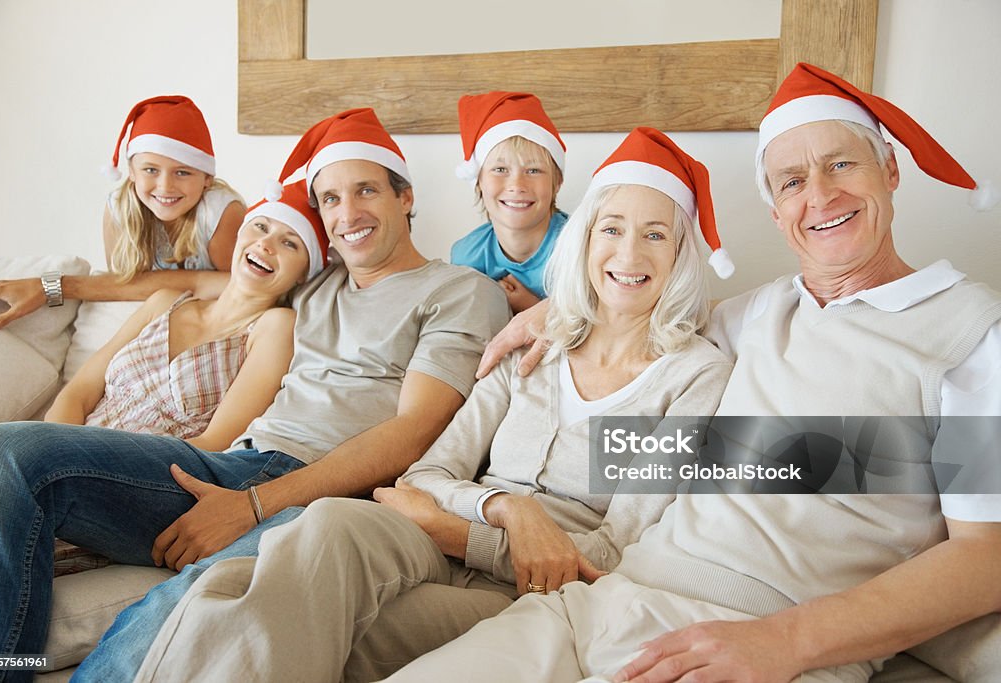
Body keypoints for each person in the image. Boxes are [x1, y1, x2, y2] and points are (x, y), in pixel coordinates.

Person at [387, 63, 1001, 683]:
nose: (819, 194)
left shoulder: (972, 336)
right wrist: (553, 309)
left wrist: (783, 641)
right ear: (775, 210)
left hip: (764, 635)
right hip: (598, 603)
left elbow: (987, 557)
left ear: (890, 169)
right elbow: (636, 304)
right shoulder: (753, 315)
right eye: (791, 181)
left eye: (842, 164)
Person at [130, 127, 733, 683]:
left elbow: (614, 548)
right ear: (585, 241)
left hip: (531, 591)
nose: (628, 254)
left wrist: (455, 530)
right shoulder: (534, 345)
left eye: (656, 234)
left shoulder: (693, 377)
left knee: (283, 615)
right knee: (320, 528)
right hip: (446, 537)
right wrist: (507, 510)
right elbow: (426, 474)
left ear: (682, 254)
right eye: (612, 229)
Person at [0, 107, 511, 683]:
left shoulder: (457, 290)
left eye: (366, 191)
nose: (348, 212)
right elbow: (172, 285)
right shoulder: (311, 281)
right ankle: (3, 669)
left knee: (182, 613)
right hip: (226, 466)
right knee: (1, 455)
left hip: (317, 497)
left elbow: (416, 430)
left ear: (405, 198)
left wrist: (257, 505)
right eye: (329, 199)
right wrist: (53, 287)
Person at [44, 179, 328, 451]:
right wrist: (53, 452)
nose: (265, 244)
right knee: (3, 444)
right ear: (240, 234)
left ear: (305, 272)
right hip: (69, 452)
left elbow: (214, 443)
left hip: (145, 475)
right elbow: (77, 394)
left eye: (289, 243)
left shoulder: (275, 326)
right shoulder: (165, 302)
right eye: (260, 227)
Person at [0, 96, 245, 332]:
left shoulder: (220, 211)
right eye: (151, 170)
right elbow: (123, 286)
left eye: (183, 172)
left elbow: (235, 286)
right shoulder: (120, 208)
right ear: (131, 171)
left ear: (207, 178)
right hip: (152, 322)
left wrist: (51, 287)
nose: (165, 186)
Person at [450, 91, 569, 313]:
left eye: (533, 170)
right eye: (500, 170)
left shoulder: (579, 248)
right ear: (478, 182)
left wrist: (530, 308)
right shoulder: (466, 255)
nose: (517, 184)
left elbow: (599, 328)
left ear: (557, 182)